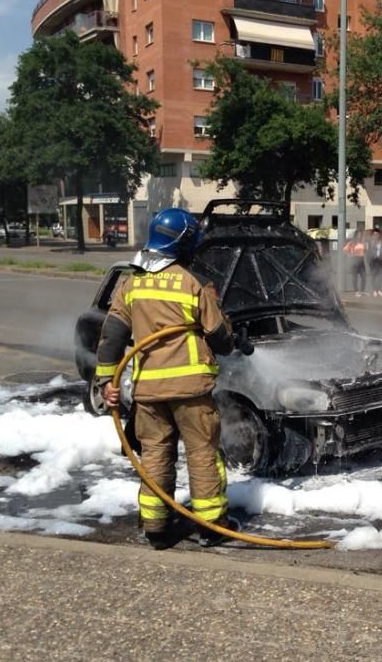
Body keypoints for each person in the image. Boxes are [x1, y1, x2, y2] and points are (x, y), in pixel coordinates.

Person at [94, 208, 251, 550]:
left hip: (149, 392)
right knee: (203, 454)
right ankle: (212, 527)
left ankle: (156, 527)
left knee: (156, 456)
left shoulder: (131, 283)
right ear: (183, 242)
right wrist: (231, 335)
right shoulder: (190, 283)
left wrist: (107, 383)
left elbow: (111, 337)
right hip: (192, 391)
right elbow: (220, 339)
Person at [343, 229, 367, 297]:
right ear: (355, 235)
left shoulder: (362, 242)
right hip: (354, 261)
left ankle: (362, 291)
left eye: (360, 235)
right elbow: (345, 250)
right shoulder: (352, 243)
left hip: (361, 261)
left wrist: (364, 251)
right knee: (354, 277)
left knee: (364, 277)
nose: (359, 236)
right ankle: (356, 291)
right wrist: (350, 255)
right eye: (358, 235)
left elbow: (364, 251)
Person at [367, 229, 382, 296]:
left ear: (379, 235)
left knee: (380, 276)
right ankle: (374, 290)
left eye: (377, 234)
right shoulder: (370, 243)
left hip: (380, 260)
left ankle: (379, 290)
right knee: (373, 276)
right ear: (372, 235)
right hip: (373, 261)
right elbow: (368, 253)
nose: (376, 236)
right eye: (374, 234)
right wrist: (368, 261)